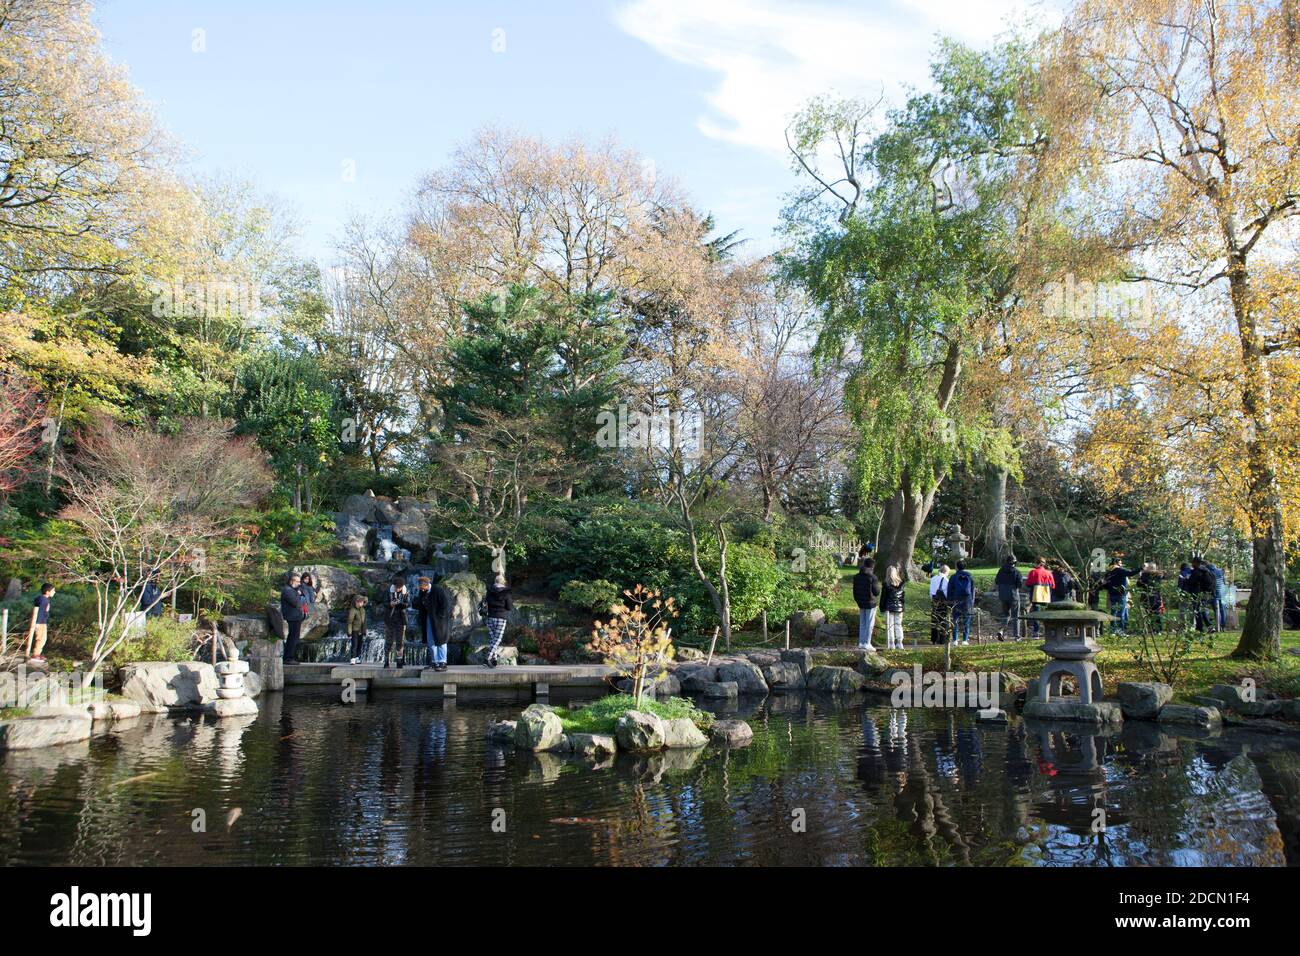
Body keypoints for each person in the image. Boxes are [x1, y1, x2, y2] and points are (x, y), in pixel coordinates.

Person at [415, 575, 450, 671]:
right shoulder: (422, 592)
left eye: (422, 588)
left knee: (441, 640)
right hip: (429, 619)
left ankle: (442, 662)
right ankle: (434, 662)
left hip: (440, 620)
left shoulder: (438, 590)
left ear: (426, 585)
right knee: (431, 641)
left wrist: (440, 617)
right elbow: (421, 605)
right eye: (420, 589)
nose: (421, 590)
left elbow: (445, 605)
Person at [483, 572, 514, 667]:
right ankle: (487, 657)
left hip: (490, 617)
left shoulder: (489, 591)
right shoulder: (506, 593)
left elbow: (485, 603)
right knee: (497, 639)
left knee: (493, 639)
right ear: (504, 582)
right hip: (501, 618)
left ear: (495, 581)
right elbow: (509, 607)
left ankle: (494, 659)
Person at [1102, 558, 1139, 633]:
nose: (1121, 564)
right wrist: (1141, 568)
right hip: (1121, 594)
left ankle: (1113, 630)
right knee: (1120, 613)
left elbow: (1104, 584)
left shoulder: (1109, 572)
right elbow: (1131, 573)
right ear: (1116, 563)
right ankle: (1120, 631)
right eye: (1120, 563)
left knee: (1113, 612)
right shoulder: (1120, 570)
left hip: (1112, 594)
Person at [853, 557, 882, 649]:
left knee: (862, 623)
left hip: (861, 602)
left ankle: (861, 642)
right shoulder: (873, 577)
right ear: (872, 567)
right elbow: (877, 592)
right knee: (869, 623)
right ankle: (867, 643)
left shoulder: (857, 576)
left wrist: (858, 600)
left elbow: (855, 591)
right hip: (871, 603)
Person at [280, 572, 307, 665]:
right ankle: (288, 658)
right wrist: (300, 596)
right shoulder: (287, 590)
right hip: (293, 617)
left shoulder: (293, 590)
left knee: (294, 637)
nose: (299, 583)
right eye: (298, 581)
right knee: (293, 638)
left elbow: (303, 597)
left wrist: (300, 595)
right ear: (291, 581)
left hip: (296, 617)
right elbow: (297, 603)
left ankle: (289, 657)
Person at [993, 554, 1023, 639]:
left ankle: (1001, 630)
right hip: (1014, 595)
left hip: (1003, 595)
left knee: (1006, 615)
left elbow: (997, 581)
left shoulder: (1001, 570)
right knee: (1016, 616)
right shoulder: (1017, 572)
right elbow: (1019, 584)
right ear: (1014, 562)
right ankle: (1016, 635)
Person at [947, 560, 976, 646]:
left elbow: (949, 590)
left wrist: (949, 602)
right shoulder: (970, 577)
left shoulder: (953, 577)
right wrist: (972, 601)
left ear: (956, 567)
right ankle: (965, 640)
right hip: (967, 601)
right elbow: (973, 590)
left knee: (955, 620)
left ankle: (955, 640)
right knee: (966, 620)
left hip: (956, 601)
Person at [384, 576, 411, 668]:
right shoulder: (388, 591)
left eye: (399, 587)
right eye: (396, 587)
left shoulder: (406, 592)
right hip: (390, 619)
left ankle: (399, 661)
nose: (398, 589)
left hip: (401, 619)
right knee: (389, 641)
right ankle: (386, 661)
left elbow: (408, 604)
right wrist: (390, 604)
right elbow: (384, 603)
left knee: (400, 641)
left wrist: (400, 604)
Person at [25, 583, 55, 664]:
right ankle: (35, 655)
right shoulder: (43, 600)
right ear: (47, 592)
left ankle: (37, 653)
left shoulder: (44, 599)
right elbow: (40, 611)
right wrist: (37, 623)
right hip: (40, 622)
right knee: (41, 638)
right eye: (53, 590)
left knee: (43, 638)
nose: (54, 592)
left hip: (42, 622)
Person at [1025, 558, 1055, 636]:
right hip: (1046, 596)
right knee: (1047, 614)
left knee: (1036, 614)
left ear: (1037, 563)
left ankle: (1036, 632)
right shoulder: (1049, 573)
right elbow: (1053, 585)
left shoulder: (1033, 572)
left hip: (1036, 596)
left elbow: (1028, 584)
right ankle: (1050, 631)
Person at [1187, 557, 1218, 632]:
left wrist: (1187, 579)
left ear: (1195, 562)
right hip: (1206, 593)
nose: (1192, 564)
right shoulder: (1207, 570)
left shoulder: (1197, 571)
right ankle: (1209, 627)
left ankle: (1200, 627)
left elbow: (1191, 582)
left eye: (1192, 562)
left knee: (1197, 610)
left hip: (1197, 593)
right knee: (1203, 610)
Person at [880, 565, 906, 650]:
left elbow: (883, 597)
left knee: (890, 626)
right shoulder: (901, 584)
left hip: (889, 607)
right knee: (898, 625)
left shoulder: (886, 584)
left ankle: (891, 644)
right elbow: (902, 597)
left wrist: (881, 607)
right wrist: (902, 607)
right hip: (899, 608)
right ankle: (899, 643)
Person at [1136, 563, 1165, 632]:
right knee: (1149, 614)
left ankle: (1157, 629)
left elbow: (1153, 584)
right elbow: (1138, 584)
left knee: (1156, 614)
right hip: (1147, 597)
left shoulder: (1157, 575)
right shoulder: (1145, 575)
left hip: (1154, 597)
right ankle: (1152, 629)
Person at [929, 564, 950, 645]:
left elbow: (930, 592)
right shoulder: (946, 580)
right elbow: (947, 593)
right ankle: (942, 640)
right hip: (942, 602)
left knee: (934, 620)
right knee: (943, 620)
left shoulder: (933, 578)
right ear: (946, 572)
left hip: (934, 601)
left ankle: (934, 639)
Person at [347, 594, 368, 663]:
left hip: (361, 630)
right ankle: (352, 658)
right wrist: (349, 632)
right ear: (356, 602)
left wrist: (365, 631)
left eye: (362, 602)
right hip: (354, 630)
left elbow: (364, 621)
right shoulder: (352, 610)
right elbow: (350, 622)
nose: (361, 603)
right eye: (360, 602)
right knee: (354, 644)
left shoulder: (363, 610)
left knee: (360, 644)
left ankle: (357, 657)